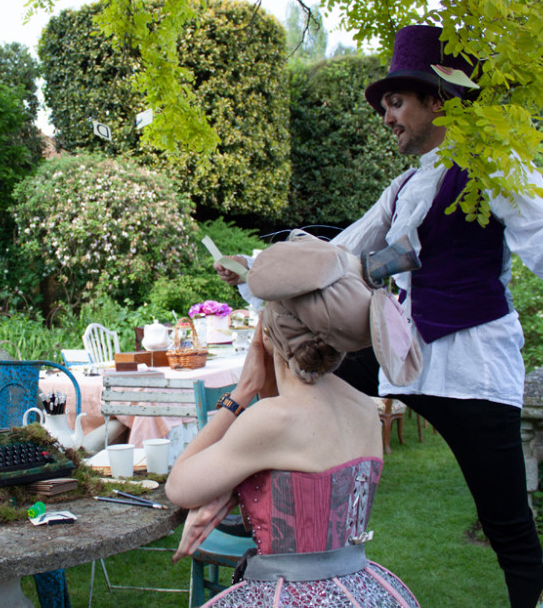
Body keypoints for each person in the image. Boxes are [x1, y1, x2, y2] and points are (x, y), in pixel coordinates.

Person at [215, 25, 543, 608]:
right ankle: (263, 509)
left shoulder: (496, 167)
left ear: (437, 100)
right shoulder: (401, 189)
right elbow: (335, 255)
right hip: (401, 353)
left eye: (396, 103)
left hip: (469, 364)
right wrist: (258, 271)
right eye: (386, 105)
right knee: (298, 369)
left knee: (507, 528)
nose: (387, 117)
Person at [168, 232, 421, 607]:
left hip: (289, 595)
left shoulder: (274, 420)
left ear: (267, 334)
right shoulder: (364, 408)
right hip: (361, 588)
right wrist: (238, 487)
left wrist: (241, 393)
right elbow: (290, 473)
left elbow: (180, 487)